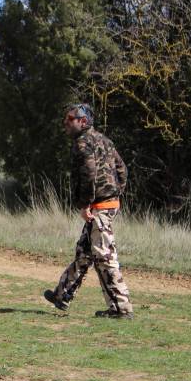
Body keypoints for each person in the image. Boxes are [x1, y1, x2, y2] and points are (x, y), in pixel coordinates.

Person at [43, 103, 134, 319]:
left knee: (104, 257)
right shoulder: (105, 140)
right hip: (107, 204)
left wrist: (86, 204)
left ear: (83, 122)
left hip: (98, 207)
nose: (65, 122)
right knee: (84, 252)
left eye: (70, 118)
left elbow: (89, 174)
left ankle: (121, 308)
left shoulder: (82, 143)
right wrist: (115, 193)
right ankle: (61, 295)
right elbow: (122, 169)